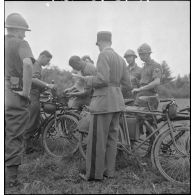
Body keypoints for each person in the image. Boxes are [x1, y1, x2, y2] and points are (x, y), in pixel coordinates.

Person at [77, 31, 131, 181]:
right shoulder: (121, 59)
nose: (98, 47)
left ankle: (94, 175)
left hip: (102, 103)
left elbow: (102, 79)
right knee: (112, 139)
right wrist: (115, 90)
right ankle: (109, 172)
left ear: (100, 42)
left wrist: (86, 79)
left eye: (98, 44)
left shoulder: (103, 55)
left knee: (97, 141)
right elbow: (128, 84)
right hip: (117, 103)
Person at [5, 13, 34, 187]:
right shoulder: (20, 43)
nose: (24, 35)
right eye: (23, 31)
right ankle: (11, 181)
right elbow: (28, 64)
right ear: (16, 29)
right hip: (14, 95)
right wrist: (26, 91)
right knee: (14, 136)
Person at [23, 50, 55, 154]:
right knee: (32, 122)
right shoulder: (36, 65)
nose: (48, 63)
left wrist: (45, 89)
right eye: (47, 60)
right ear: (42, 56)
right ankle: (25, 148)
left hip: (34, 95)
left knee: (34, 121)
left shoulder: (38, 66)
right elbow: (32, 79)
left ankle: (27, 146)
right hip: (32, 96)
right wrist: (47, 85)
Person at [132, 43, 162, 110]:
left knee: (137, 113)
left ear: (148, 54)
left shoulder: (155, 65)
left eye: (142, 54)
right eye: (140, 54)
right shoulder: (144, 67)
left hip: (149, 95)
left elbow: (156, 82)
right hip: (141, 94)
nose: (140, 56)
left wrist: (140, 89)